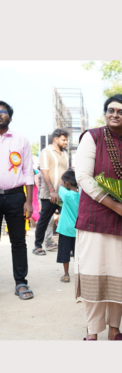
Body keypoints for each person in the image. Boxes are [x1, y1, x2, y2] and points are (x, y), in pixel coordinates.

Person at [75, 94, 122, 341]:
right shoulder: (92, 137)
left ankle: (115, 329)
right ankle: (92, 330)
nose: (115, 114)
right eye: (111, 110)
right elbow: (83, 178)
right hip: (96, 218)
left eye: (121, 111)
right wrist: (114, 206)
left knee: (120, 274)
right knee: (95, 273)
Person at [0, 100, 34, 300]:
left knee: (18, 241)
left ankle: (21, 282)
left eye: (2, 111)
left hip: (16, 196)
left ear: (10, 118)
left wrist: (29, 201)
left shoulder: (21, 140)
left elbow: (28, 171)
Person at [33, 128, 69, 255]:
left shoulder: (65, 153)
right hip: (49, 194)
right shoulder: (46, 152)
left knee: (67, 220)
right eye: (63, 140)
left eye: (66, 140)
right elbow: (44, 172)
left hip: (64, 194)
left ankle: (68, 247)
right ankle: (37, 246)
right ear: (56, 139)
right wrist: (52, 191)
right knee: (44, 220)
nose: (66, 142)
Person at [56, 170, 80, 283]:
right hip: (77, 230)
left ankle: (66, 274)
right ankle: (79, 273)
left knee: (64, 252)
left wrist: (61, 185)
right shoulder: (81, 195)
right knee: (78, 254)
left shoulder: (66, 194)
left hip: (65, 229)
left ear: (67, 183)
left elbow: (59, 186)